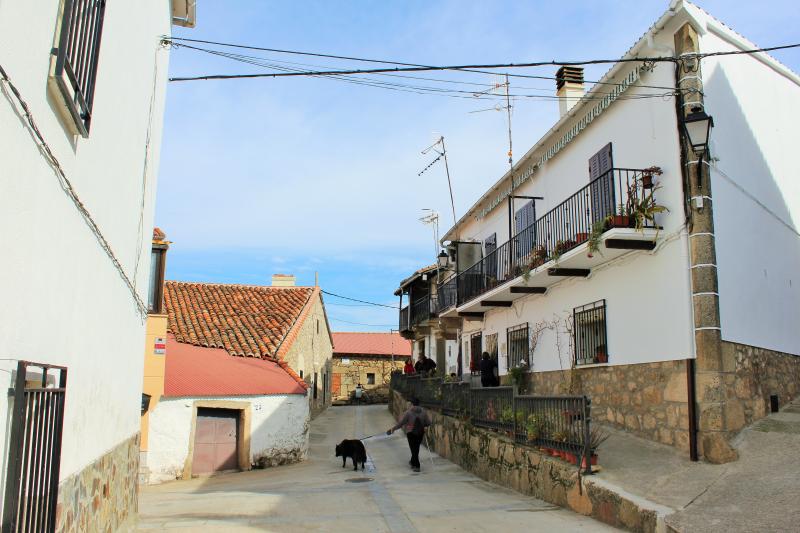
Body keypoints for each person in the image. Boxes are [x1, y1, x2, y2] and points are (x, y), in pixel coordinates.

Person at [387, 397, 431, 472]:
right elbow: (428, 422)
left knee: (413, 449)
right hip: (420, 432)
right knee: (416, 448)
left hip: (411, 433)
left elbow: (401, 423)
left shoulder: (408, 412)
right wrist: (425, 426)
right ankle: (412, 461)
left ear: (412, 404)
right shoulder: (424, 412)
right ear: (419, 404)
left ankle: (417, 466)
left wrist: (393, 429)